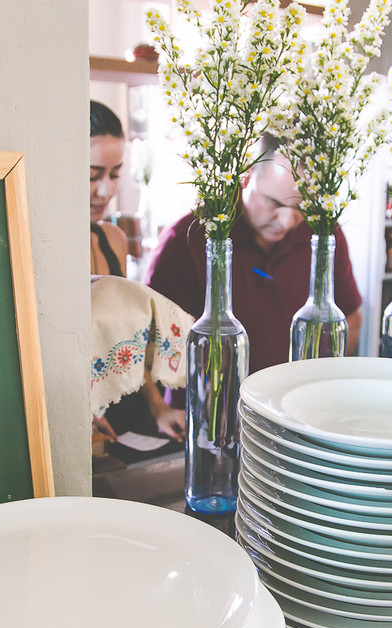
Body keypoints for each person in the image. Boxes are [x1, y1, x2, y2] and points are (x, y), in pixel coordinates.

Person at [144, 135, 363, 375]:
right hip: (213, 395)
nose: (287, 221)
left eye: (301, 207)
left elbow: (351, 318)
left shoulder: (323, 234)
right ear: (247, 176)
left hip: (293, 394)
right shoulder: (189, 238)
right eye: (274, 203)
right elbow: (144, 338)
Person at [89, 100, 185, 442]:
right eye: (92, 175)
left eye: (115, 174)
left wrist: (159, 409)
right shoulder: (40, 248)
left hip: (126, 414)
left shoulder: (113, 239)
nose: (106, 190)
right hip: (79, 419)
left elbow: (129, 342)